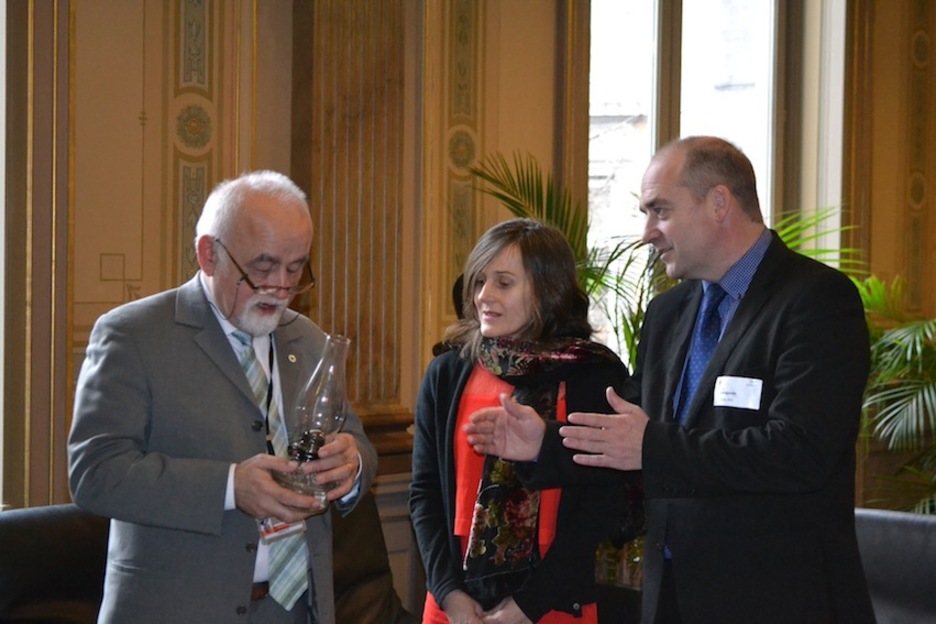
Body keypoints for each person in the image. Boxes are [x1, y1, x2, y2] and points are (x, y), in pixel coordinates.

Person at [466, 137, 876, 624]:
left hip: (777, 599)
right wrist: (544, 443)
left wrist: (651, 446)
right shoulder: (667, 313)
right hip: (671, 598)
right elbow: (628, 430)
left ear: (719, 202)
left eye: (660, 211)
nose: (647, 234)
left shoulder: (815, 300)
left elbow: (800, 451)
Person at [68, 170, 378, 623]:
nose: (281, 287)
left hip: (295, 610)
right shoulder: (134, 335)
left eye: (296, 268)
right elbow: (94, 472)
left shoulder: (309, 340)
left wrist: (352, 464)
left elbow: (358, 444)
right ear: (209, 254)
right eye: (263, 267)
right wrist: (231, 487)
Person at [410, 218, 640, 624]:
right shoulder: (447, 372)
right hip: (454, 604)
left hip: (554, 601)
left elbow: (600, 504)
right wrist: (449, 594)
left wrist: (528, 605)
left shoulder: (592, 375)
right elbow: (424, 493)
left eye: (503, 283)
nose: (484, 295)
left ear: (547, 290)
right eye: (479, 281)